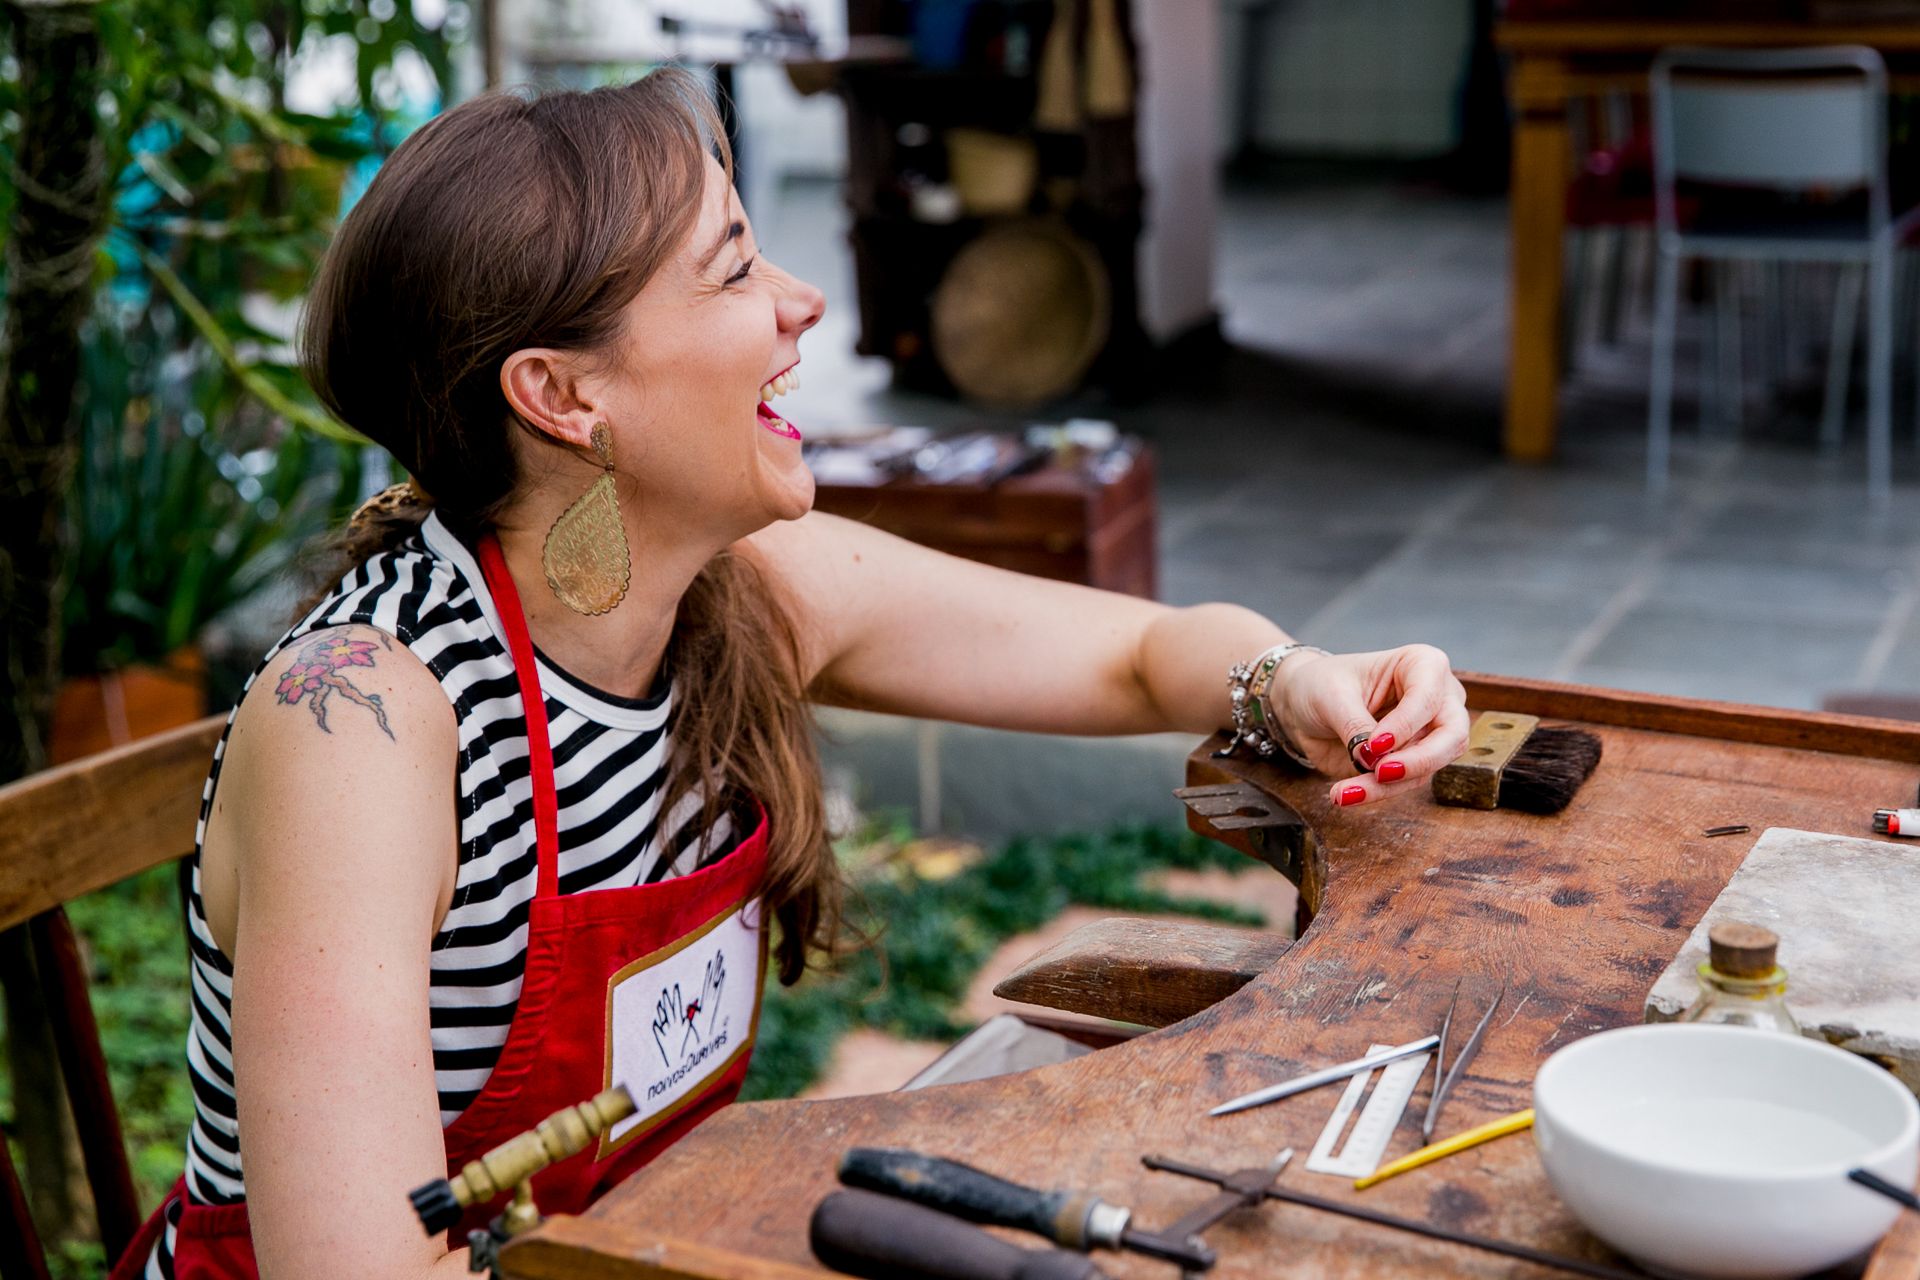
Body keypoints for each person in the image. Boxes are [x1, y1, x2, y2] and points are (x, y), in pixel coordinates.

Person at [114, 70, 1469, 1280]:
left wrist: (1288, 680)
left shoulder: (749, 594)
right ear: (563, 397)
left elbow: (1130, 656)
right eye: (733, 270)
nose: (803, 304)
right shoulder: (366, 723)